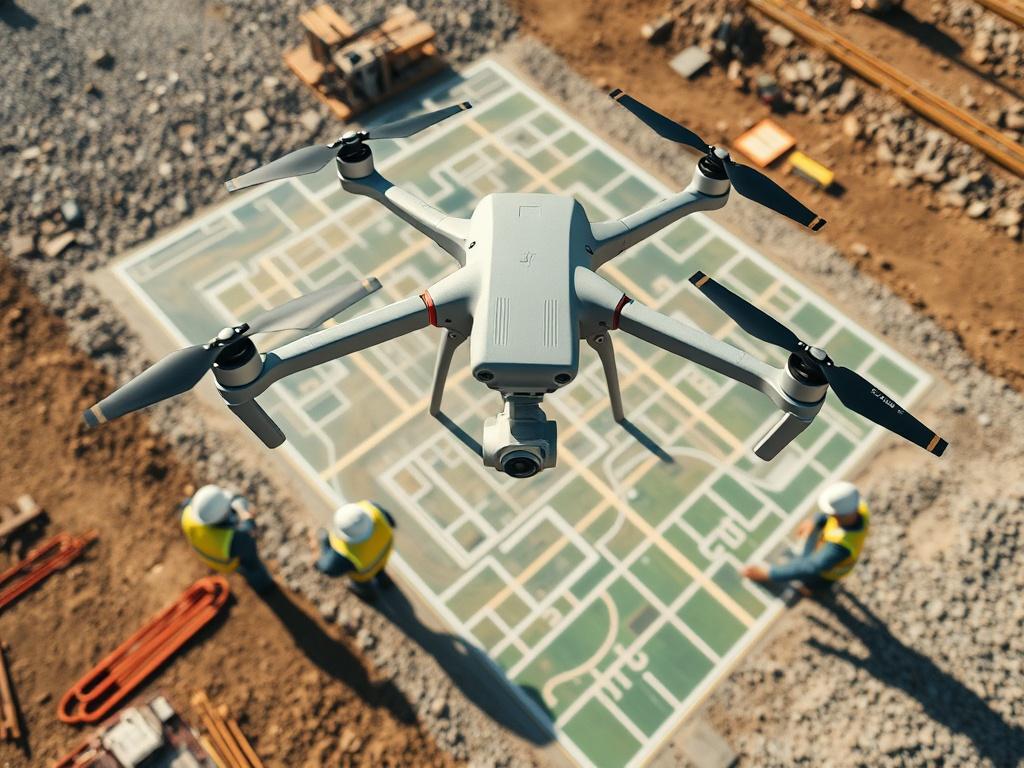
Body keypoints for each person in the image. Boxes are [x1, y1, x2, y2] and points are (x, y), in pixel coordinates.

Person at [741, 481, 870, 596]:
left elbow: (810, 567)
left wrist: (768, 574)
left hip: (827, 574)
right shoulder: (860, 508)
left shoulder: (840, 547)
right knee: (808, 559)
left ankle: (812, 589)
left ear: (836, 515)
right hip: (827, 553)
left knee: (808, 577)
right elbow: (830, 515)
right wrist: (815, 520)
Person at [180, 484, 274, 594]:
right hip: (231, 563)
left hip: (208, 555)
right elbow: (248, 535)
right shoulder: (233, 540)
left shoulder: (186, 515)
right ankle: (265, 587)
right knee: (252, 567)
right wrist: (246, 516)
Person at [313, 500, 396, 599]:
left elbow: (327, 568)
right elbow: (392, 522)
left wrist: (324, 543)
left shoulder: (344, 554)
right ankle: (385, 583)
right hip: (383, 558)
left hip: (365, 575)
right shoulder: (374, 510)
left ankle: (370, 596)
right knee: (380, 571)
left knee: (363, 586)